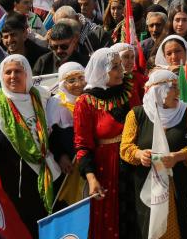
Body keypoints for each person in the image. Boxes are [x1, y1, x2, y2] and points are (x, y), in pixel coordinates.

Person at [0, 54, 61, 236]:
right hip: (14, 185)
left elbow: (57, 130)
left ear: (27, 74)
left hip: (45, 177)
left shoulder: (42, 97)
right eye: (8, 72)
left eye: (18, 71)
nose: (13, 76)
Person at [120, 69, 187, 239]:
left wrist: (177, 156)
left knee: (179, 226)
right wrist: (139, 154)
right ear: (158, 90)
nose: (179, 92)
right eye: (173, 87)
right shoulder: (137, 114)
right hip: (148, 185)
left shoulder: (186, 111)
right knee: (149, 227)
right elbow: (125, 148)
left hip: (178, 183)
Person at [74, 47, 135, 239]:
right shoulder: (85, 102)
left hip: (132, 164)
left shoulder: (125, 92)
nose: (121, 71)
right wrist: (92, 178)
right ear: (102, 71)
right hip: (106, 169)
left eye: (120, 66)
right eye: (115, 67)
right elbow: (82, 145)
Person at [46, 61, 86, 174]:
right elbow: (50, 136)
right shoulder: (56, 102)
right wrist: (60, 156)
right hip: (68, 164)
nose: (78, 84)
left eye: (81, 78)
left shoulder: (90, 98)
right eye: (71, 80)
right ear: (63, 83)